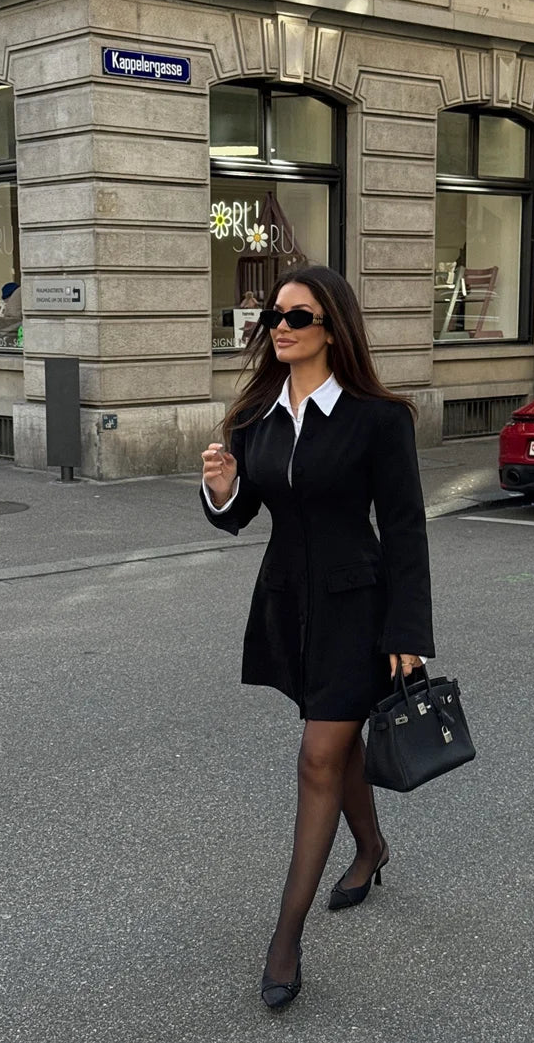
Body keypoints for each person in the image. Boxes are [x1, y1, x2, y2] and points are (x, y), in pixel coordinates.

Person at [200, 265, 434, 1010]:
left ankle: (285, 935)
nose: (281, 327)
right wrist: (219, 489)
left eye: (297, 317)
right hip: (289, 605)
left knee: (318, 755)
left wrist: (408, 629)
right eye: (274, 316)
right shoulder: (257, 414)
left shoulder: (376, 418)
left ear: (332, 327)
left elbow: (402, 529)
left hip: (357, 608)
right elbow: (240, 515)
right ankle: (370, 846)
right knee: (340, 743)